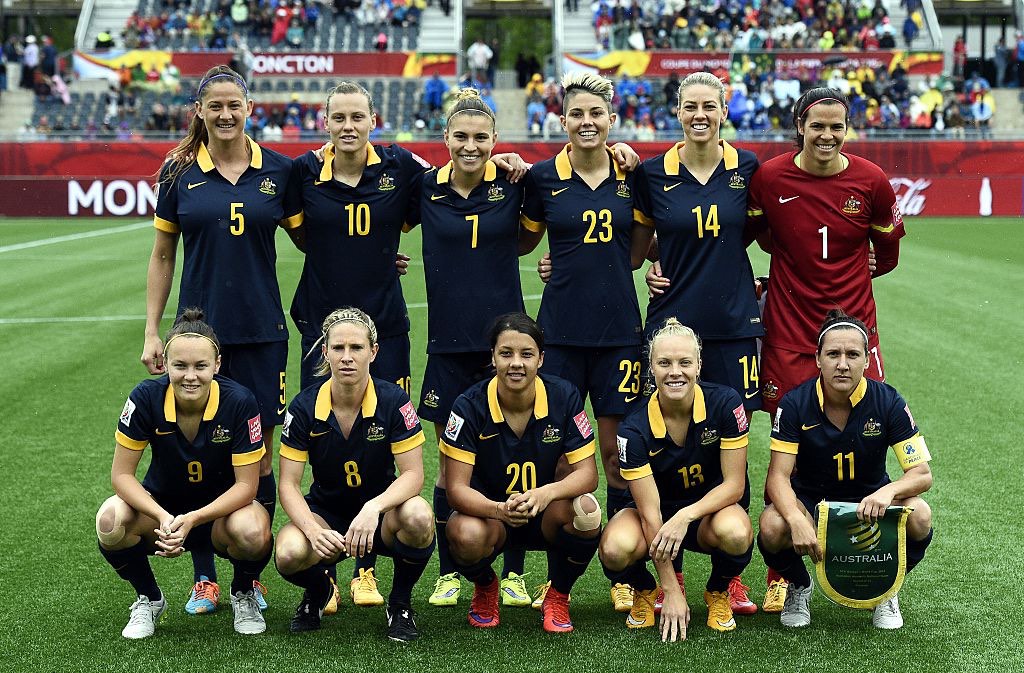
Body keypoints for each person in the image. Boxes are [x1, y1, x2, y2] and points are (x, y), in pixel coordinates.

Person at [142, 65, 303, 616]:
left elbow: (319, 235)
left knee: (255, 460)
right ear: (200, 110)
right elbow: (162, 256)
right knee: (205, 453)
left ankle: (248, 581)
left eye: (235, 104)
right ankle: (206, 576)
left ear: (250, 108)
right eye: (216, 106)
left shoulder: (280, 172)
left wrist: (381, 259)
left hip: (262, 333)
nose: (227, 114)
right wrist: (151, 330)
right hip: (197, 341)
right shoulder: (177, 174)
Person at [746, 87, 904, 610]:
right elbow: (752, 235)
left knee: (867, 426)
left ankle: (875, 566)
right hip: (791, 326)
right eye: (818, 125)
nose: (828, 135)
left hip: (853, 329)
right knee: (787, 437)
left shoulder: (871, 180)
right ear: (800, 124)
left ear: (847, 128)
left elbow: (889, 252)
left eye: (838, 126)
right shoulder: (770, 177)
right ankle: (785, 575)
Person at [519, 71, 654, 612]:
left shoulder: (632, 176)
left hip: (620, 333)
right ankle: (559, 583)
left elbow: (639, 252)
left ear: (611, 118)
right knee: (561, 459)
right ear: (562, 120)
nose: (586, 122)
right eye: (576, 114)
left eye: (596, 113)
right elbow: (525, 243)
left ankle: (625, 572)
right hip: (562, 335)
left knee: (617, 453)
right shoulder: (543, 178)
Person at [408, 89, 535, 609]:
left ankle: (514, 572)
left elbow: (533, 241)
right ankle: (449, 572)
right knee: (450, 461)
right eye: (461, 136)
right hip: (447, 346)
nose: (470, 145)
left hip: (503, 349)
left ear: (494, 141)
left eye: (481, 137)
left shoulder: (513, 185)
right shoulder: (422, 189)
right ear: (445, 139)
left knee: (514, 460)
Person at [97, 310, 273, 638]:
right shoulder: (145, 397)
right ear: (165, 363)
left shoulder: (240, 401)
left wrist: (192, 519)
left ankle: (243, 592)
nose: (190, 376)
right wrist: (164, 517)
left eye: (200, 366)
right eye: (180, 366)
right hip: (163, 513)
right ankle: (149, 599)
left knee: (252, 531)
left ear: (217, 365)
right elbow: (121, 476)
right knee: (109, 520)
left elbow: (247, 487)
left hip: (222, 516)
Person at [757, 310, 934, 629]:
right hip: (812, 503)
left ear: (867, 360)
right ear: (817, 359)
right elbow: (778, 477)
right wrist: (797, 518)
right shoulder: (795, 403)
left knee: (920, 515)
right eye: (833, 354)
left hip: (871, 504)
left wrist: (888, 491)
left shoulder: (889, 401)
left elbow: (922, 474)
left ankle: (885, 589)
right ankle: (799, 586)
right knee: (771, 525)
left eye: (853, 354)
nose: (842, 363)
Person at [274, 308, 434, 641]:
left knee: (419, 516)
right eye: (338, 348)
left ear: (373, 352)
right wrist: (311, 531)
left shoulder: (394, 400)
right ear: (325, 352)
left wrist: (373, 508)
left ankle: (400, 603)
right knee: (288, 553)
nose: (347, 357)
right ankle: (318, 591)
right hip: (326, 514)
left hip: (381, 515)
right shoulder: (304, 407)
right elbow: (288, 484)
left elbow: (413, 476)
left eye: (357, 348)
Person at [441, 313, 603, 633]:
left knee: (587, 512)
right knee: (463, 534)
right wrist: (498, 509)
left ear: (541, 359)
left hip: (545, 514)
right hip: (491, 517)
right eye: (506, 353)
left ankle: (558, 594)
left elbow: (588, 475)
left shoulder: (564, 396)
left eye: (526, 354)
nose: (516, 363)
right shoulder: (468, 406)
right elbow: (456, 489)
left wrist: (545, 494)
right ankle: (486, 587)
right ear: (492, 357)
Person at [600, 318, 754, 641]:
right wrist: (669, 589)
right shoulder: (633, 428)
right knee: (614, 548)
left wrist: (686, 515)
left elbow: (734, 486)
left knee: (737, 533)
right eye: (664, 363)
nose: (675, 372)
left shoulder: (726, 404)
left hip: (706, 514)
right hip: (654, 518)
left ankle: (717, 590)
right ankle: (645, 588)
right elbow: (650, 513)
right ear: (651, 369)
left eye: (685, 362)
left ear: (699, 365)